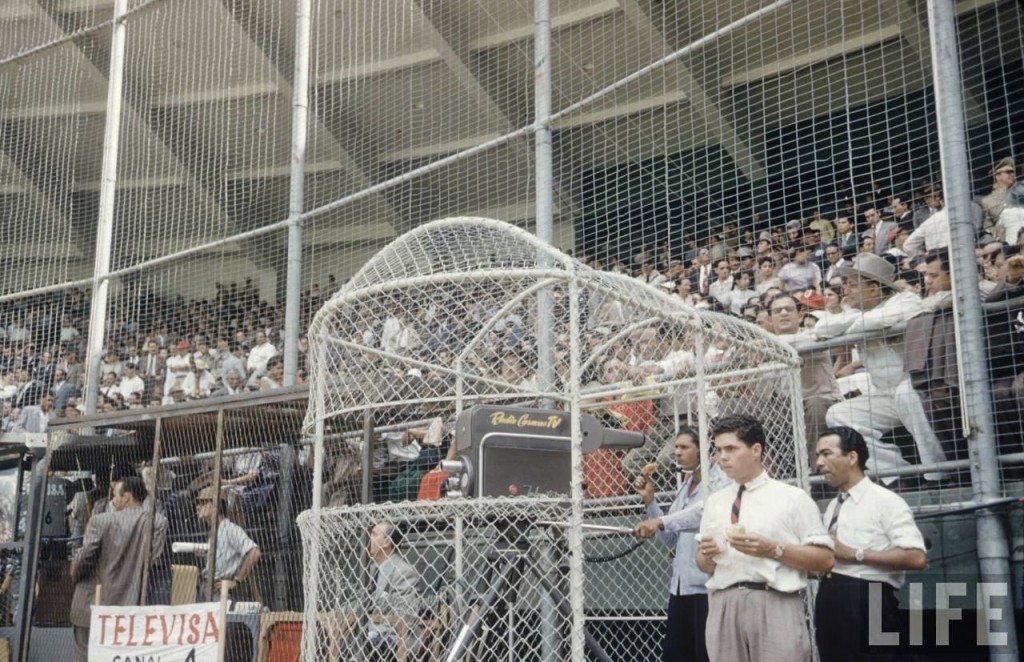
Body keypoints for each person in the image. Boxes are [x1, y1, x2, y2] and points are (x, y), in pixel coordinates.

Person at [695, 414, 833, 662]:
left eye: (731, 449)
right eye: (718, 450)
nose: (722, 457)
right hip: (723, 602)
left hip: (774, 600)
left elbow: (825, 560)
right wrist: (707, 553)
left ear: (756, 450)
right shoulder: (715, 502)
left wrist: (773, 549)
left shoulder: (792, 498)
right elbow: (704, 566)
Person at [815, 253, 948, 484]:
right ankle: (898, 474)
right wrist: (856, 326)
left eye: (852, 284)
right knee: (837, 414)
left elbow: (883, 318)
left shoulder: (904, 299)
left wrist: (850, 330)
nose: (846, 290)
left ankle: (938, 474)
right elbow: (822, 327)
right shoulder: (857, 313)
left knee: (905, 394)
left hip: (918, 386)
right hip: (885, 394)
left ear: (874, 288)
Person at [813, 427, 927, 662]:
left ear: (852, 457)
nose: (819, 463)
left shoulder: (885, 501)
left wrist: (854, 554)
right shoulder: (833, 506)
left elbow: (916, 557)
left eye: (826, 454)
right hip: (831, 597)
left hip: (871, 596)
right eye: (818, 456)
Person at [633, 428, 727, 662]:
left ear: (701, 451)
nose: (677, 452)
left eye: (684, 447)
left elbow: (701, 515)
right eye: (676, 447)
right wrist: (650, 502)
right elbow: (670, 538)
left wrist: (659, 522)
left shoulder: (718, 482)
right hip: (681, 587)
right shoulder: (685, 487)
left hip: (706, 588)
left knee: (706, 654)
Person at [69, 476, 168, 662]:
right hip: (130, 606)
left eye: (115, 495)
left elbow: (83, 559)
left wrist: (74, 574)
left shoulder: (100, 521)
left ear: (127, 497)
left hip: (91, 603)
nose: (112, 500)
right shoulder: (157, 522)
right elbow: (153, 559)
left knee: (85, 655)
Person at [768, 295, 843, 459]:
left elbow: (800, 343)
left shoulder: (813, 336)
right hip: (786, 405)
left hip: (821, 400)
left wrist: (763, 344)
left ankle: (818, 470)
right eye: (777, 311)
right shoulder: (766, 345)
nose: (783, 313)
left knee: (815, 405)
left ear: (800, 315)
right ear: (770, 319)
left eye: (789, 309)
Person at [195, 485, 261, 599]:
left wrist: (237, 581)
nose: (198, 507)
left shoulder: (229, 528)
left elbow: (255, 552)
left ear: (216, 505)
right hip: (207, 586)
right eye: (198, 503)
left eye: (203, 502)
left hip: (218, 589)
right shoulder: (215, 530)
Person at [367, 521, 422, 654]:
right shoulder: (370, 570)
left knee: (367, 643)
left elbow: (405, 616)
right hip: (370, 633)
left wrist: (369, 630)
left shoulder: (404, 571)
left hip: (395, 637)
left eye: (374, 534)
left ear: (387, 542)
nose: (369, 538)